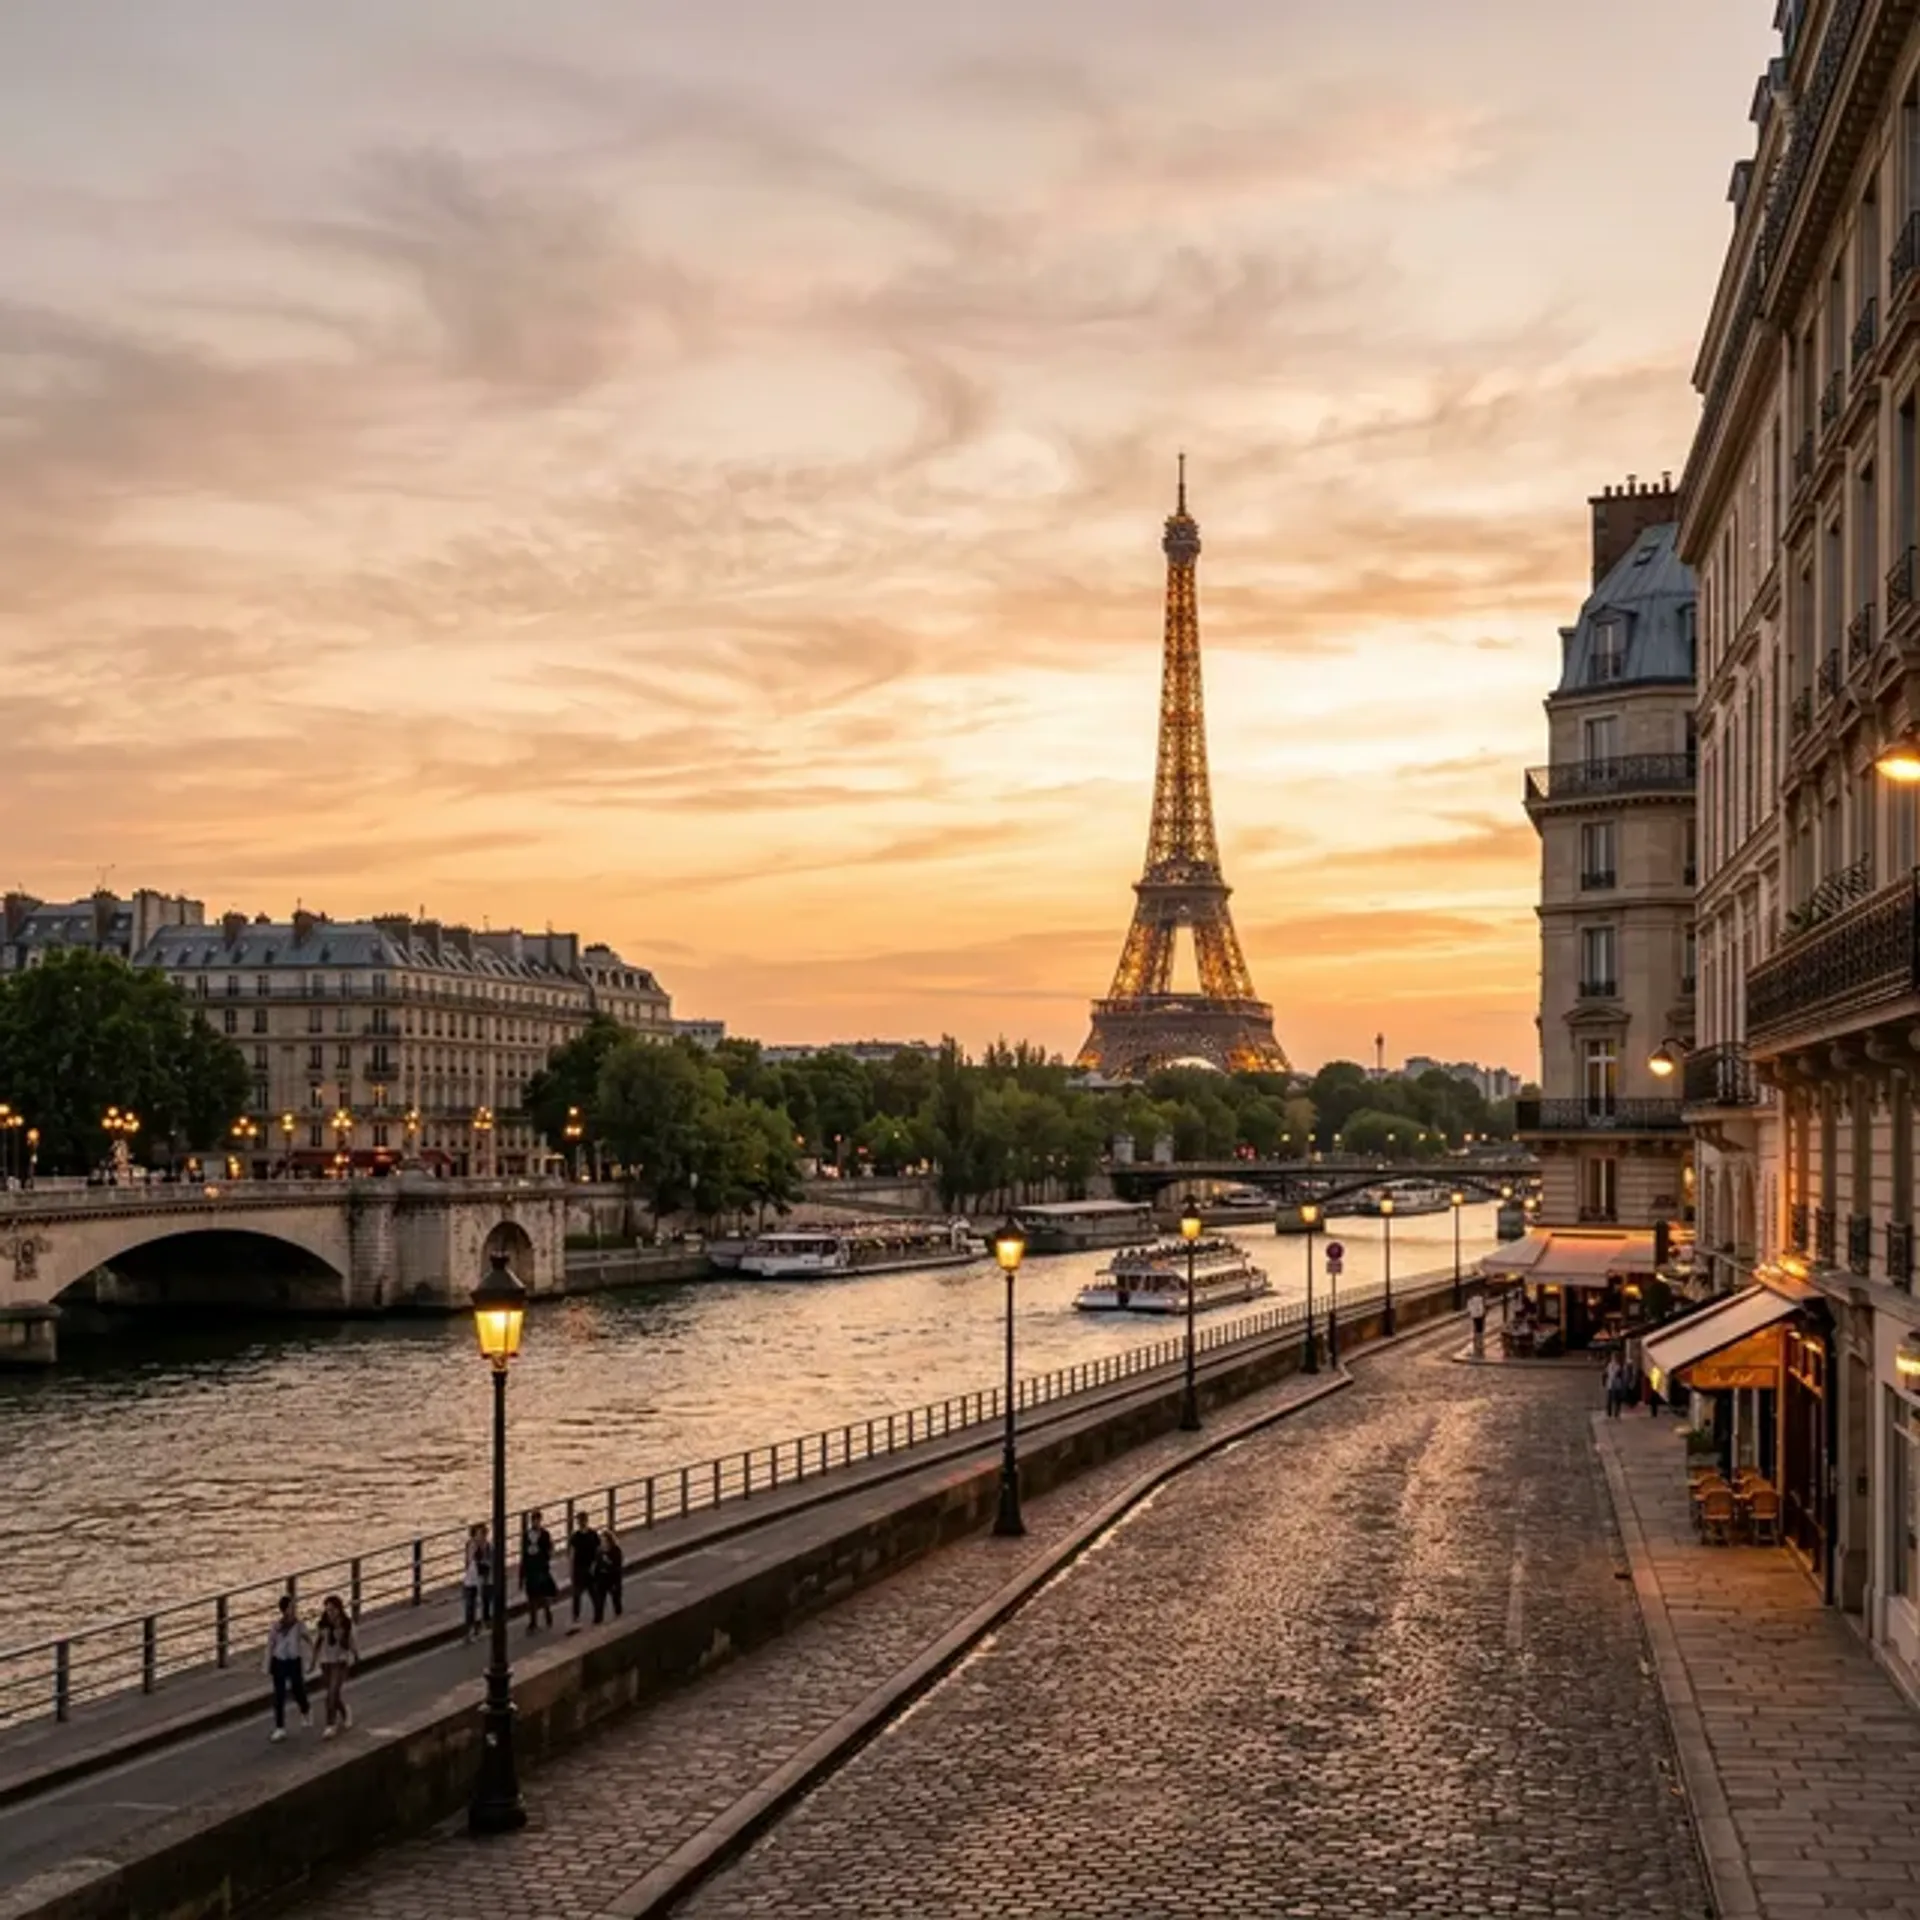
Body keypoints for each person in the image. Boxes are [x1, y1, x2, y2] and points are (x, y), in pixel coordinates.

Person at [263, 1593, 313, 1743]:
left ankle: (305, 1710)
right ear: (284, 1609)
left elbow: (308, 1639)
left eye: (294, 1607)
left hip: (294, 1661)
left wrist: (312, 1657)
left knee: (298, 1689)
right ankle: (280, 1727)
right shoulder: (276, 1627)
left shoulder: (299, 1625)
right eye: (291, 1607)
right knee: (279, 1695)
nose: (294, 1610)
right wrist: (267, 1664)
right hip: (280, 1662)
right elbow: (270, 1646)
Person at [314, 1593, 356, 1737]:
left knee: (331, 1694)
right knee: (333, 1694)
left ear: (339, 1609)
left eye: (332, 1609)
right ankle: (345, 1711)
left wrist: (341, 1638)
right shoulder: (323, 1625)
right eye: (327, 1610)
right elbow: (318, 1642)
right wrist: (313, 1661)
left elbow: (349, 1645)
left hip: (340, 1662)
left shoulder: (346, 1624)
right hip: (326, 1662)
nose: (330, 1613)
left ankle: (330, 1724)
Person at [521, 1509, 556, 1633]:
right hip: (531, 1569)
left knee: (543, 1596)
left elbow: (549, 1550)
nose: (536, 1522)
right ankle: (533, 1622)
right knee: (532, 1598)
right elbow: (523, 1556)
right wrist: (522, 1574)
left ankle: (547, 1614)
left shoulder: (545, 1534)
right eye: (534, 1520)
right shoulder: (526, 1535)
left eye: (538, 1520)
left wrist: (542, 1552)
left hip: (541, 1568)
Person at [568, 1511, 600, 1632]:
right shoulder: (576, 1537)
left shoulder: (592, 1535)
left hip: (588, 1568)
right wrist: (571, 1570)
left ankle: (596, 1615)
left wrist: (595, 1565)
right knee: (578, 1595)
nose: (581, 1523)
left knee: (592, 1593)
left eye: (582, 1521)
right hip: (580, 1569)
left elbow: (597, 1551)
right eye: (579, 1521)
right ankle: (576, 1617)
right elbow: (572, 1554)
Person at [461, 1523, 492, 1641]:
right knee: (470, 1606)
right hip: (470, 1580)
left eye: (483, 1534)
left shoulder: (487, 1546)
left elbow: (487, 1563)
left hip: (482, 1580)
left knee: (482, 1604)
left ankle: (479, 1627)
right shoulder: (471, 1545)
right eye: (479, 1534)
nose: (481, 1537)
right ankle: (470, 1630)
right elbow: (469, 1560)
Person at [591, 1528, 625, 1624]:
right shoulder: (599, 1551)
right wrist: (595, 1578)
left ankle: (618, 1614)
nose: (603, 1543)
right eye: (602, 1541)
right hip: (602, 1578)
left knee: (616, 1599)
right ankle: (598, 1619)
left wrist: (608, 1562)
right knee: (600, 1601)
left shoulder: (616, 1551)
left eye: (605, 1541)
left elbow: (617, 1567)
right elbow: (596, 1565)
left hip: (612, 1578)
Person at [1602, 1353, 1624, 1419]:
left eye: (1614, 1358)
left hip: (1615, 1385)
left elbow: (1606, 1374)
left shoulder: (1617, 1366)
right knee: (1612, 1399)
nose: (1614, 1359)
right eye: (1613, 1358)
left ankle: (1614, 1413)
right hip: (1613, 1385)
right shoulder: (1612, 1365)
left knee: (1615, 1399)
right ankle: (1611, 1413)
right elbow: (1605, 1374)